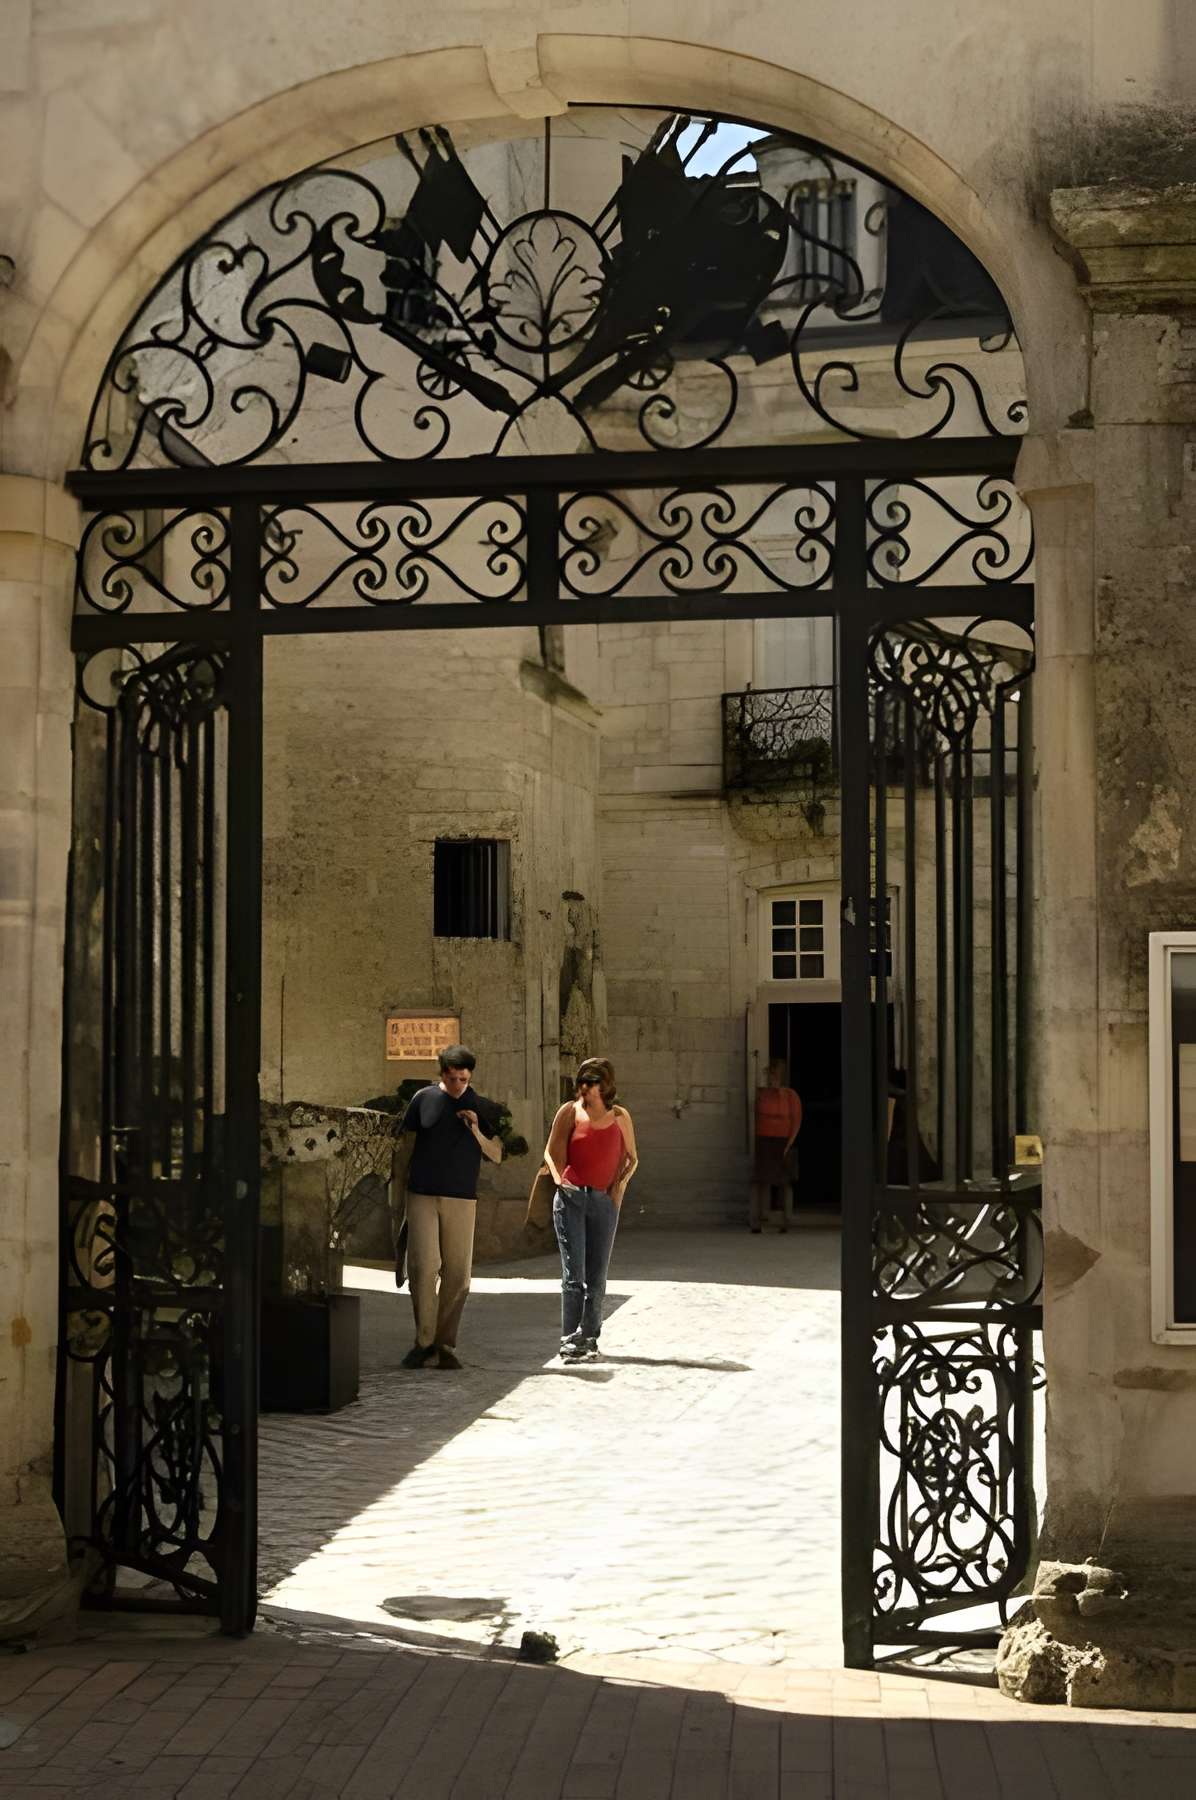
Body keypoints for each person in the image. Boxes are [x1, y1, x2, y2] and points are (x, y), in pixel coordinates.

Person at [397, 1044, 502, 1370]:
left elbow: (496, 1154)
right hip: (422, 1195)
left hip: (461, 1198)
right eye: (453, 1078)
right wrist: (398, 1193)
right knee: (422, 1268)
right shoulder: (422, 1100)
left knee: (458, 1275)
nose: (458, 1085)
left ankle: (444, 1344)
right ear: (442, 1074)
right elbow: (404, 1148)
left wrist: (475, 1130)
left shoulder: (481, 1107)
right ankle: (423, 1342)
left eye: (464, 1079)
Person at [543, 1057, 638, 1362]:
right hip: (571, 1198)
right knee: (574, 1275)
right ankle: (570, 1338)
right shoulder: (570, 1111)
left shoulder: (621, 1116)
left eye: (592, 1082)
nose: (585, 1087)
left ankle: (590, 1338)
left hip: (603, 1202)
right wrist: (560, 1182)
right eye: (582, 1081)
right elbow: (550, 1149)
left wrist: (619, 1188)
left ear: (605, 1085)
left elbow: (632, 1159)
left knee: (597, 1277)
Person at [751, 1058, 801, 1232]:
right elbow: (756, 1116)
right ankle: (756, 1221)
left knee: (784, 1182)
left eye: (776, 1075)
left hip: (783, 1141)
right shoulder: (762, 1095)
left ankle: (786, 1221)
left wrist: (788, 1144)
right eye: (770, 1075)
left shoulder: (790, 1096)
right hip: (764, 1139)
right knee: (760, 1181)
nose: (772, 1078)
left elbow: (796, 1121)